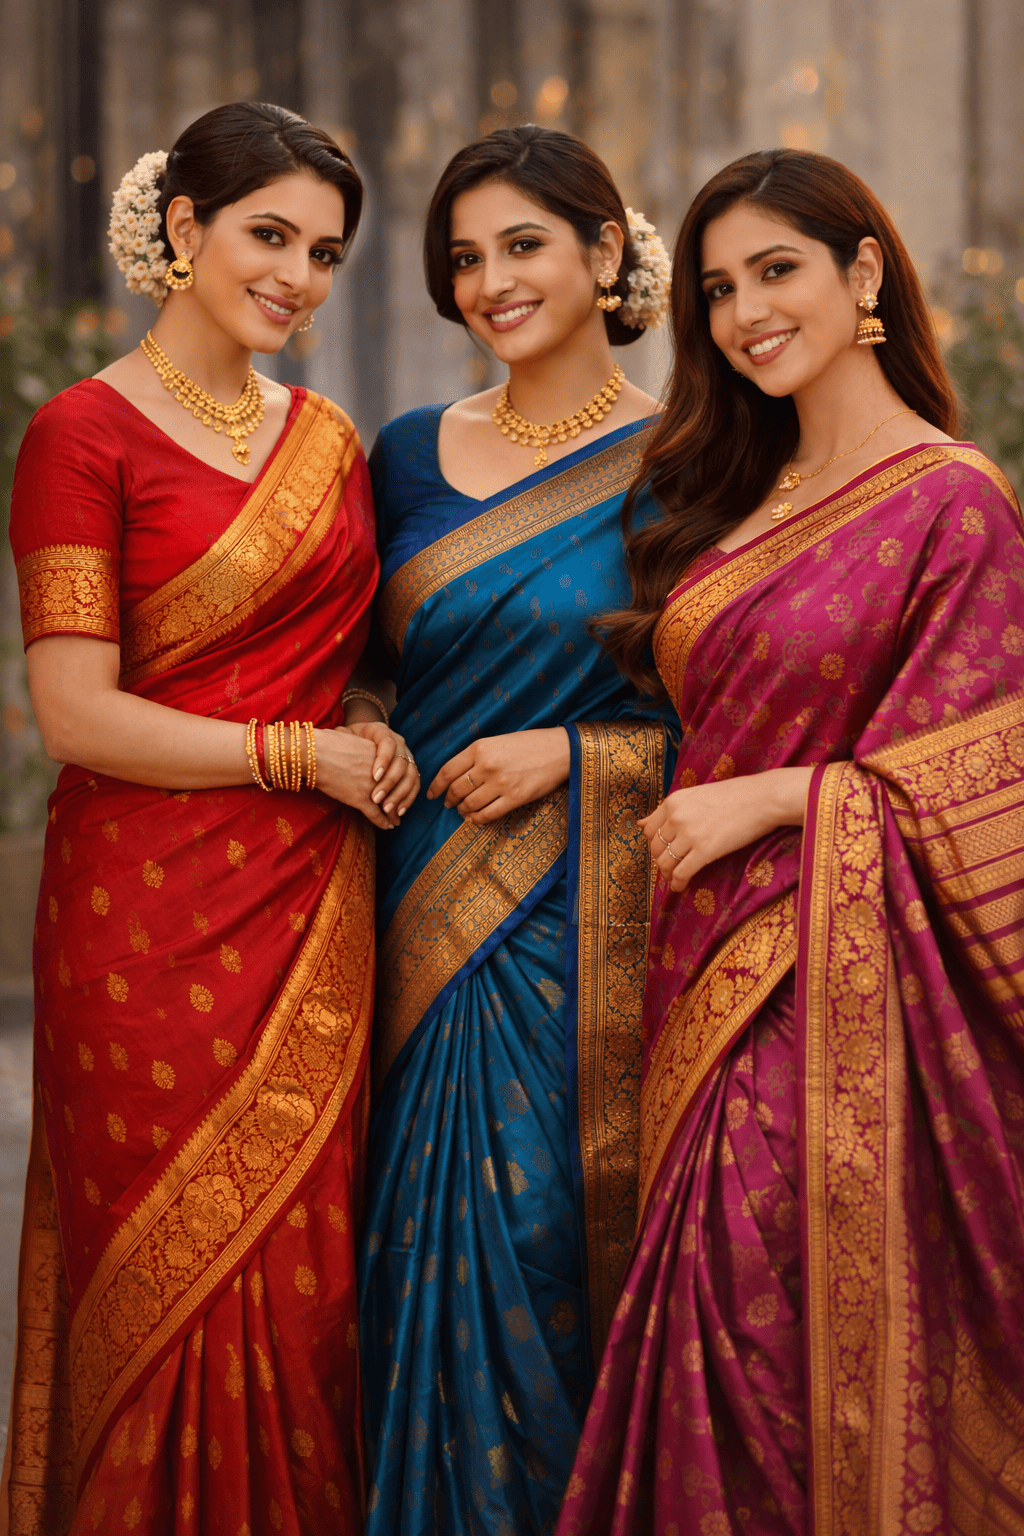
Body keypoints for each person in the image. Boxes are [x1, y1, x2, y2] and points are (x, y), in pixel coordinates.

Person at [555, 147, 1024, 1536]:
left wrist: (784, 800)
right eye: (718, 288)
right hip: (699, 978)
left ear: (862, 273)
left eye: (779, 271)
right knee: (729, 1344)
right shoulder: (735, 499)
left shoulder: (954, 500)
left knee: (759, 1320)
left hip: (844, 1002)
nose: (748, 311)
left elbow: (996, 769)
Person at [5, 101, 417, 1535]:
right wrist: (301, 756)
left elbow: (357, 652)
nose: (298, 276)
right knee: (163, 1277)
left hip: (308, 914)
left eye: (325, 251)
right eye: (269, 235)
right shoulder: (78, 436)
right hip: (143, 926)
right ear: (183, 231)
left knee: (304, 1296)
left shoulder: (333, 440)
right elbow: (77, 714)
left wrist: (362, 725)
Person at [356, 125, 676, 1536]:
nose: (491, 282)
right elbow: (363, 659)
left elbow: (744, 709)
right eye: (465, 258)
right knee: (406, 1255)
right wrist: (360, 720)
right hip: (411, 913)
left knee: (546, 1234)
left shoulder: (697, 458)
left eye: (524, 245)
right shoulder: (408, 454)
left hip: (583, 931)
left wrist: (574, 751)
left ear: (606, 253)